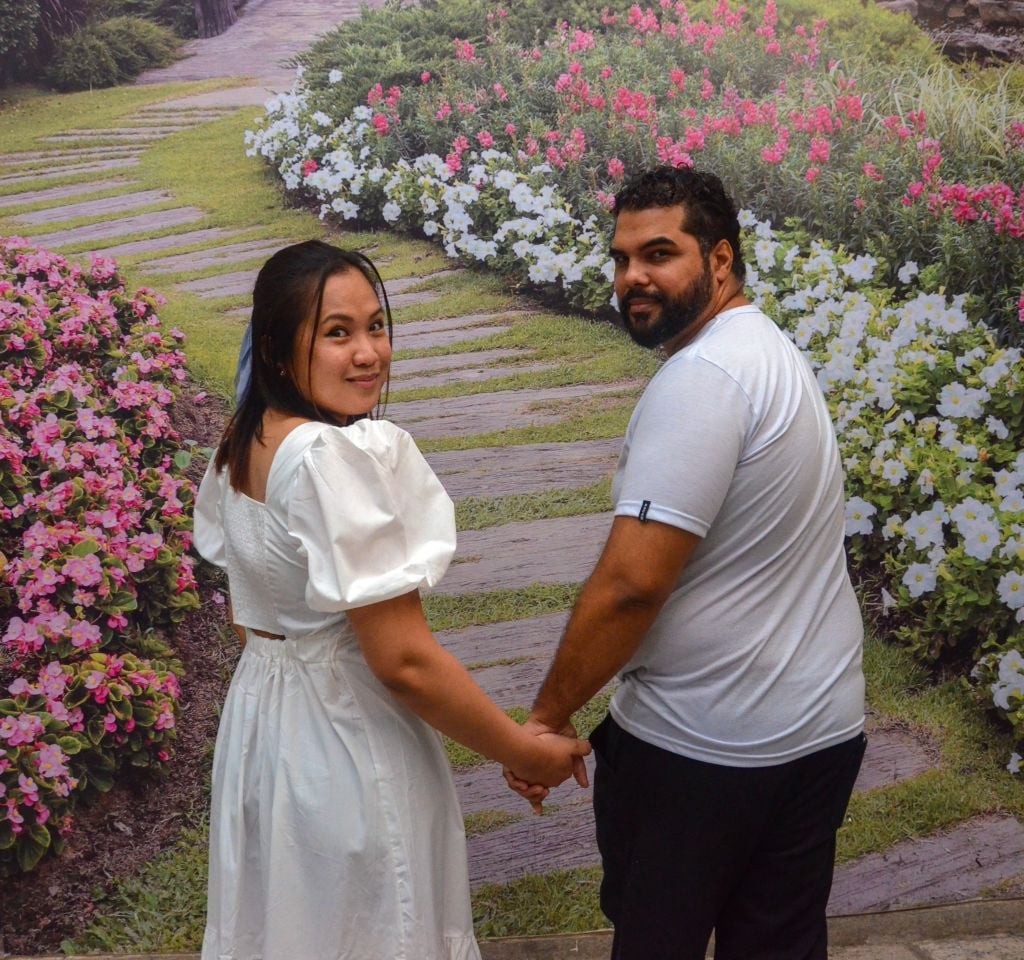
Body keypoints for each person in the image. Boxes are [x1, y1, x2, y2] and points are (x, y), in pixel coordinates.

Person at [193, 239, 590, 960]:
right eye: (337, 333)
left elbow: (255, 618)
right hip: (345, 744)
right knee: (377, 928)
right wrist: (523, 752)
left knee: (291, 930)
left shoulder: (246, 441)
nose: (369, 352)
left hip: (266, 733)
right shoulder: (325, 459)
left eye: (375, 326)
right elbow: (404, 659)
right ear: (282, 351)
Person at [506, 167, 866, 960]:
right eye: (622, 257)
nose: (633, 276)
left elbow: (632, 585)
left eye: (660, 253)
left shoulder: (702, 379)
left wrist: (546, 719)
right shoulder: (766, 349)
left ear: (721, 259)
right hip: (819, 733)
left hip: (703, 754)